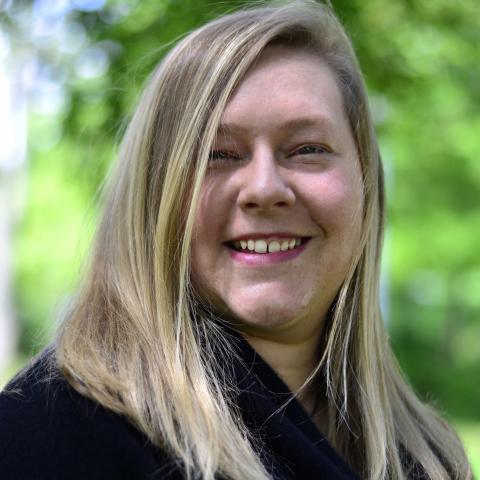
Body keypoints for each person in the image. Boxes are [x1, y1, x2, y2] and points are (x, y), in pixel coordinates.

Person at [0, 1, 472, 479]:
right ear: (153, 197)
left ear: (365, 186)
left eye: (308, 149)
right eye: (218, 154)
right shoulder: (46, 437)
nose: (264, 188)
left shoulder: (428, 459)